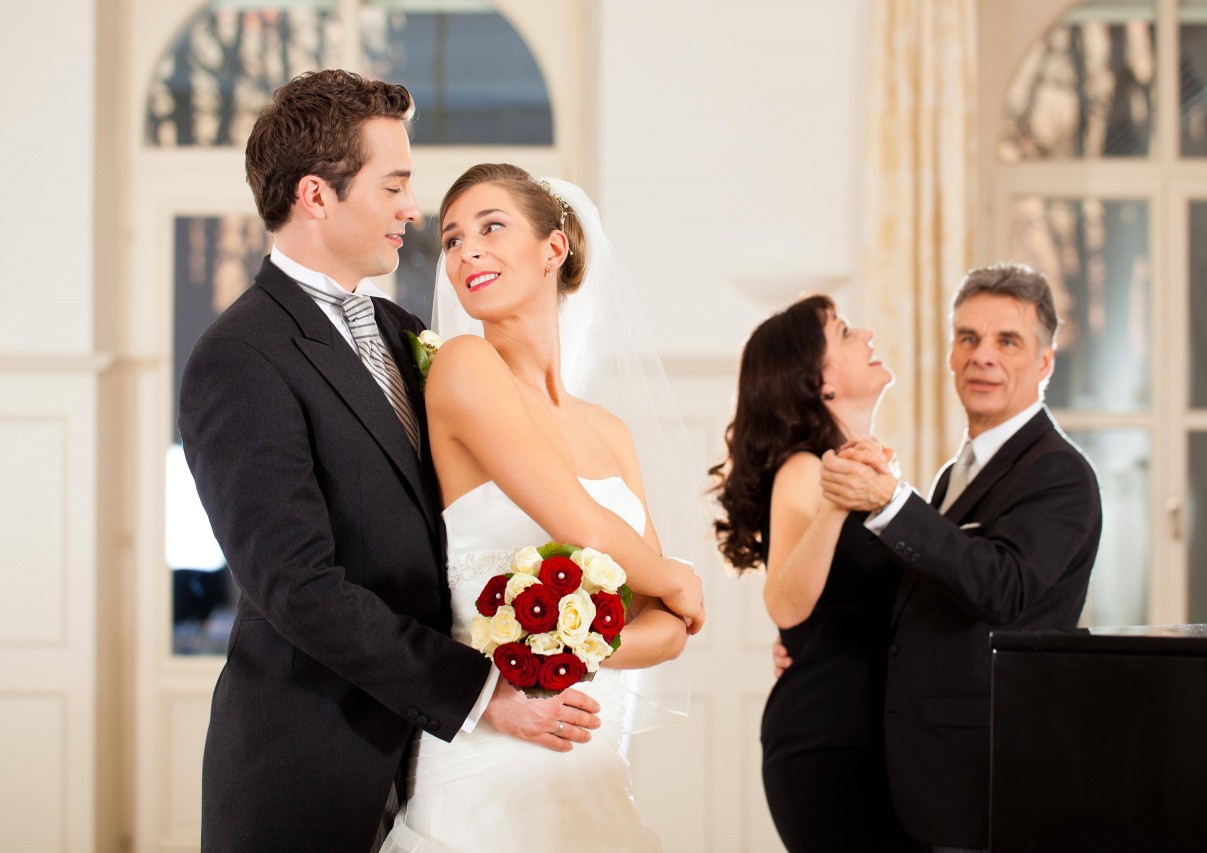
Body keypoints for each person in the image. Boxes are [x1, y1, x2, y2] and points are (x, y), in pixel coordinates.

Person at [179, 73, 626, 852]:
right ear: (317, 196)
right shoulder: (237, 358)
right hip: (311, 769)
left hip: (441, 772)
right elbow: (297, 585)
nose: (412, 210)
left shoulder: (401, 330)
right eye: (394, 185)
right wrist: (483, 692)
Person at [379, 163, 702, 852]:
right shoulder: (464, 367)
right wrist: (675, 575)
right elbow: (582, 524)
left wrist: (571, 652)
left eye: (491, 227)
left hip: (591, 761)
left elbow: (666, 628)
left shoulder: (609, 431)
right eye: (454, 238)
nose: (467, 252)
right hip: (488, 753)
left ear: (553, 249)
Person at [811, 262, 1104, 852]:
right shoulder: (956, 473)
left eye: (1007, 341)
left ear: (1044, 363)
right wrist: (816, 640)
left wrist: (894, 502)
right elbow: (921, 597)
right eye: (968, 338)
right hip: (921, 773)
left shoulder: (1062, 476)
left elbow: (1002, 587)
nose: (982, 356)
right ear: (950, 354)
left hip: (986, 775)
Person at [708, 296, 912, 851]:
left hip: (874, 740)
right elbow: (786, 604)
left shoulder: (855, 471)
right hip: (829, 742)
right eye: (845, 332)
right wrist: (839, 500)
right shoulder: (806, 468)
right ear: (818, 383)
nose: (867, 334)